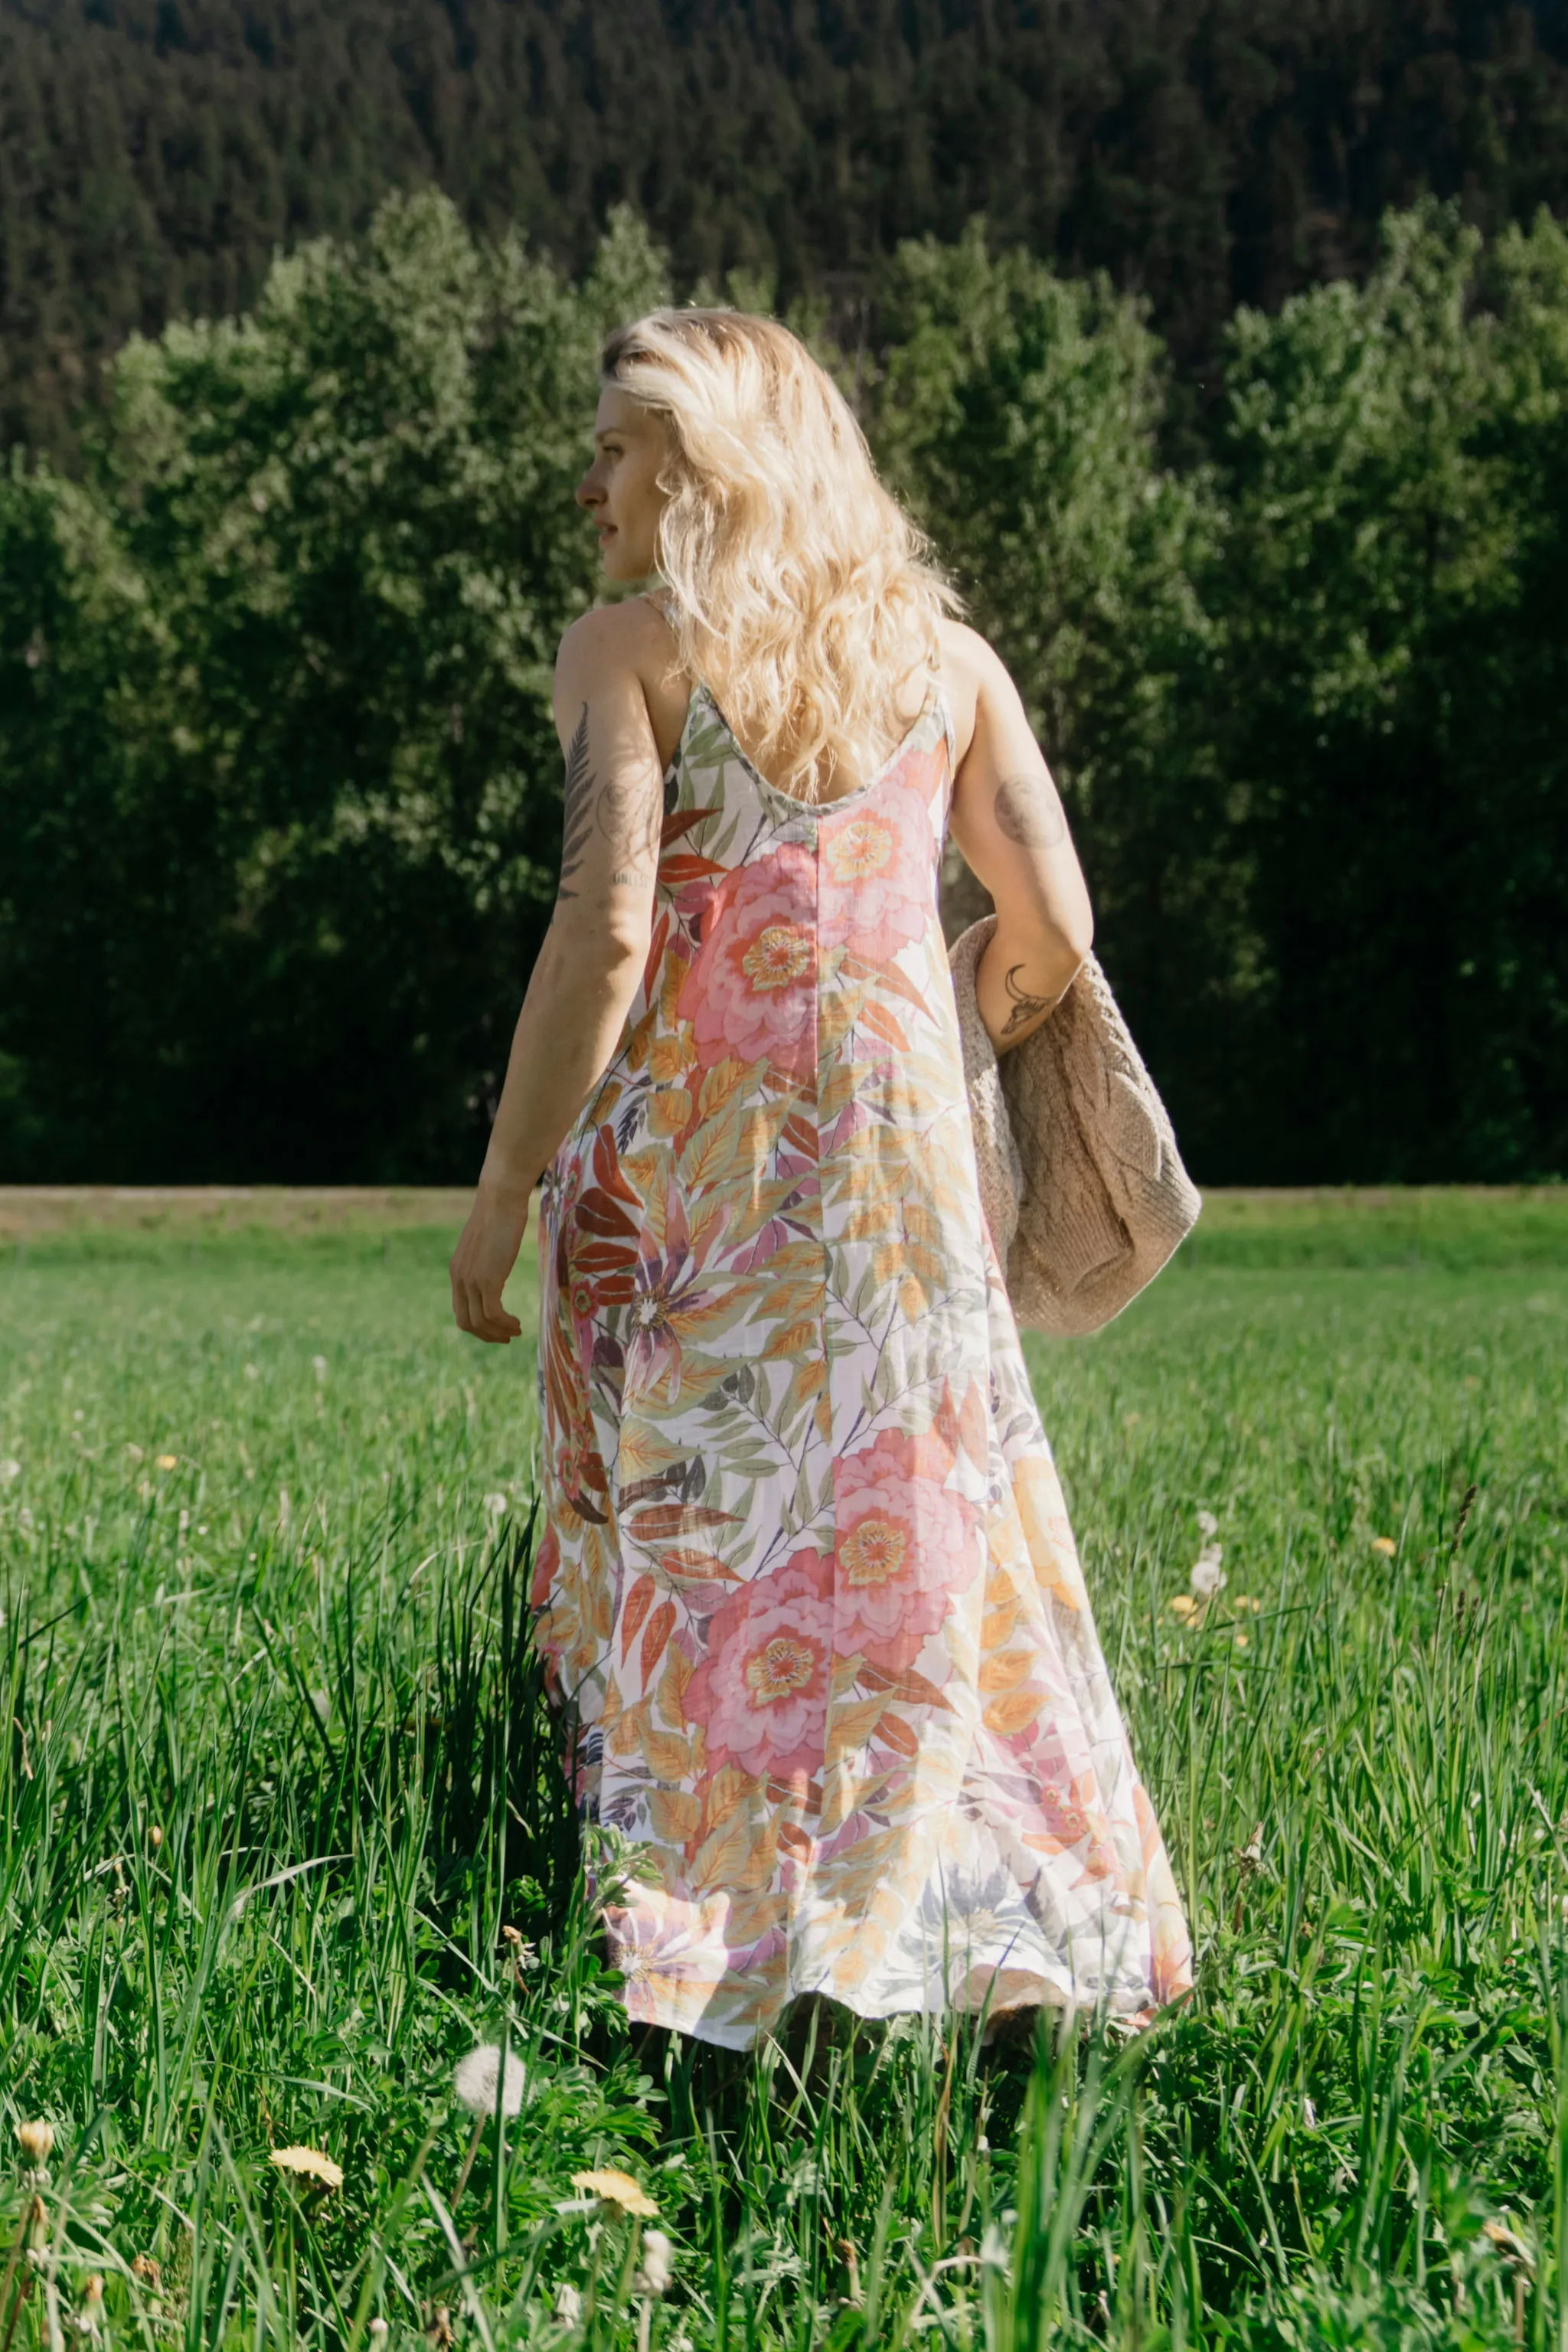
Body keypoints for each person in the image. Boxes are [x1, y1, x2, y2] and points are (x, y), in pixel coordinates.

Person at [449, 310, 1191, 2050]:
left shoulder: (628, 648)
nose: (592, 484)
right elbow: (1056, 930)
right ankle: (980, 1929)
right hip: (897, 1183)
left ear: (704, 463)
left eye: (621, 445)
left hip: (692, 1192)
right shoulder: (948, 660)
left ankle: (737, 1947)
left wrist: (501, 1187)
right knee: (917, 1538)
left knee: (695, 1551)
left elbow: (609, 925)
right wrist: (930, 1029)